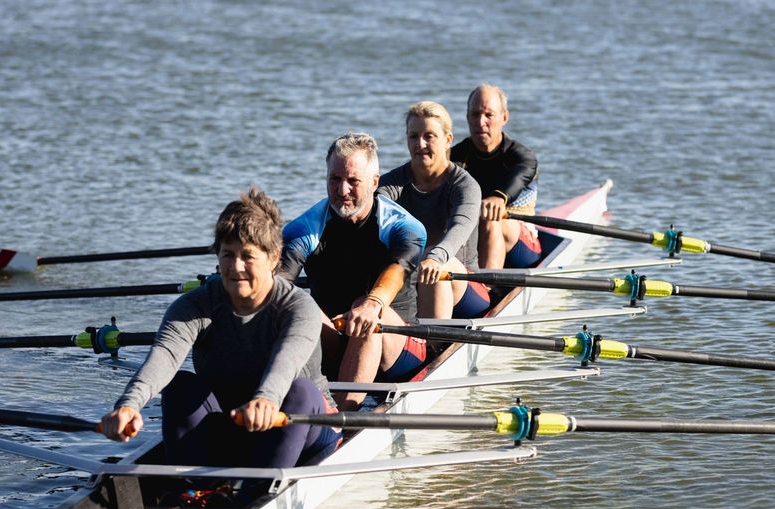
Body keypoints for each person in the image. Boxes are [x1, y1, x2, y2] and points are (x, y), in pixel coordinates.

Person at [99, 187, 340, 476]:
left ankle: (253, 496)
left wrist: (265, 400)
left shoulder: (298, 308)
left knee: (299, 390)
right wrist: (128, 405)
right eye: (228, 255)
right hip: (236, 423)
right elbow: (162, 358)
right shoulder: (195, 305)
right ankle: (193, 489)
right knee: (180, 387)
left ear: (274, 258)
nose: (236, 267)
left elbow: (285, 364)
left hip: (303, 428)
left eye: (248, 256)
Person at [280, 133, 429, 411]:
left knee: (365, 309)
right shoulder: (304, 228)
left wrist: (373, 304)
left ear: (374, 182)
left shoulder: (404, 227)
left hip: (400, 348)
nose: (342, 190)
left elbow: (398, 269)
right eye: (334, 179)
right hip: (336, 340)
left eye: (353, 181)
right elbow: (280, 282)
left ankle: (340, 420)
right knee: (292, 304)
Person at [377, 101, 489, 319]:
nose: (420, 143)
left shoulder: (465, 186)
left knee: (434, 263)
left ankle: (431, 345)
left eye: (429, 136)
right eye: (413, 136)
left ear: (448, 140)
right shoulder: (390, 184)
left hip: (467, 288)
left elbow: (459, 227)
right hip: (411, 279)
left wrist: (436, 257)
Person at [450, 84, 541, 270]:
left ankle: (486, 290)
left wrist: (499, 198)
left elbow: (518, 178)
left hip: (522, 247)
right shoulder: (455, 157)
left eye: (488, 115)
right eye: (475, 115)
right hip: (473, 238)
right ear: (467, 118)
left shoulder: (523, 157)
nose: (481, 121)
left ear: (504, 118)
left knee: (492, 219)